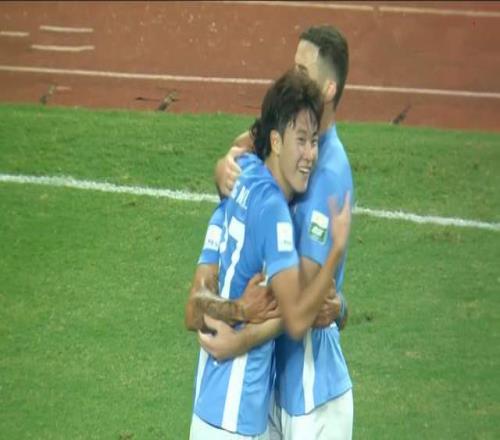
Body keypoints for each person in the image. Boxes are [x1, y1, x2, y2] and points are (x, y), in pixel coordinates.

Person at [206, 25, 354, 440]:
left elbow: (302, 306)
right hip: (277, 387)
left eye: (301, 71)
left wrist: (239, 340)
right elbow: (242, 150)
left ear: (328, 89)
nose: (291, 77)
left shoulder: (326, 175)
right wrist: (222, 168)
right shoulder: (288, 134)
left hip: (313, 393)